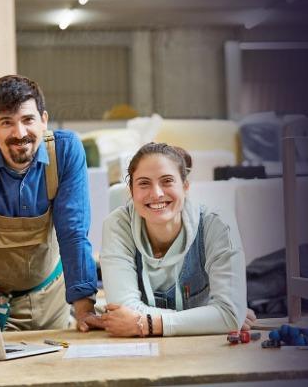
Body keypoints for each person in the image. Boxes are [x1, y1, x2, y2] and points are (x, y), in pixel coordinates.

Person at [0, 75, 102, 332]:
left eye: (28, 120)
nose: (20, 133)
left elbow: (73, 233)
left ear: (43, 121)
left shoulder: (65, 152)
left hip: (50, 300)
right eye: (6, 122)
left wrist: (85, 311)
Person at [99, 143, 256, 337]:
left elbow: (229, 315)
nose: (156, 193)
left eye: (167, 181)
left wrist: (147, 323)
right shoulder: (117, 225)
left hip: (202, 352)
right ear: (131, 191)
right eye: (144, 183)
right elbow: (123, 312)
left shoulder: (217, 223)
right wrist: (209, 319)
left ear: (185, 186)